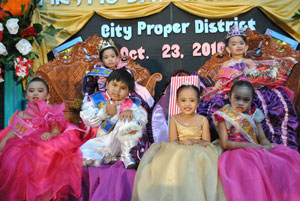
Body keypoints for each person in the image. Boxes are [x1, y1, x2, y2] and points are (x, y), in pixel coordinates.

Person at [198, 25, 299, 150]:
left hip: (247, 90)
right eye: (234, 44)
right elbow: (221, 78)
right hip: (230, 91)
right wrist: (218, 83)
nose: (238, 46)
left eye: (241, 43)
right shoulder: (226, 63)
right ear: (228, 49)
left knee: (267, 99)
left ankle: (266, 138)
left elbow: (255, 77)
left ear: (246, 47)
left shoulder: (249, 62)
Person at [131, 84, 225, 201]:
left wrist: (192, 140)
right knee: (176, 156)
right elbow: (173, 141)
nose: (187, 104)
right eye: (183, 100)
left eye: (192, 100)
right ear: (177, 102)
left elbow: (206, 142)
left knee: (199, 158)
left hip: (200, 149)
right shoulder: (174, 119)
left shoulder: (202, 120)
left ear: (198, 102)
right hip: (179, 147)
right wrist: (184, 143)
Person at [213, 80, 300, 201]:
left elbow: (262, 137)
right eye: (237, 98)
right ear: (229, 96)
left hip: (256, 149)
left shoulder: (255, 114)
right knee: (251, 171)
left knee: (285, 161)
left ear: (251, 100)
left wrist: (267, 147)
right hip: (235, 152)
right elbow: (225, 143)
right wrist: (254, 147)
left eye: (246, 100)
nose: (240, 103)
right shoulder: (223, 116)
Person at [0, 77, 83, 200]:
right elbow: (10, 135)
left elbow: (56, 132)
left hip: (42, 145)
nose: (35, 94)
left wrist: (51, 134)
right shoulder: (21, 115)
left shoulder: (50, 113)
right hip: (21, 146)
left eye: (40, 90)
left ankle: (42, 195)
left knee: (42, 154)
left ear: (47, 95)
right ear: (26, 95)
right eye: (31, 90)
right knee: (13, 155)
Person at [80, 68, 148, 169]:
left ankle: (128, 158)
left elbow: (142, 120)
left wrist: (132, 113)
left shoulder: (131, 104)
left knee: (127, 119)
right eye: (114, 85)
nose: (117, 90)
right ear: (107, 84)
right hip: (99, 142)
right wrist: (104, 113)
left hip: (121, 146)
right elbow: (88, 120)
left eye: (123, 88)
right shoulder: (96, 99)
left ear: (129, 91)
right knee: (83, 156)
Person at [82, 38, 154, 109]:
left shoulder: (123, 69)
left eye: (112, 56)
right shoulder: (98, 72)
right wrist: (87, 97)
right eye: (106, 57)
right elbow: (90, 86)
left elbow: (129, 86)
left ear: (117, 57)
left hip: (121, 98)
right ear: (102, 60)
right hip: (103, 99)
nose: (110, 59)